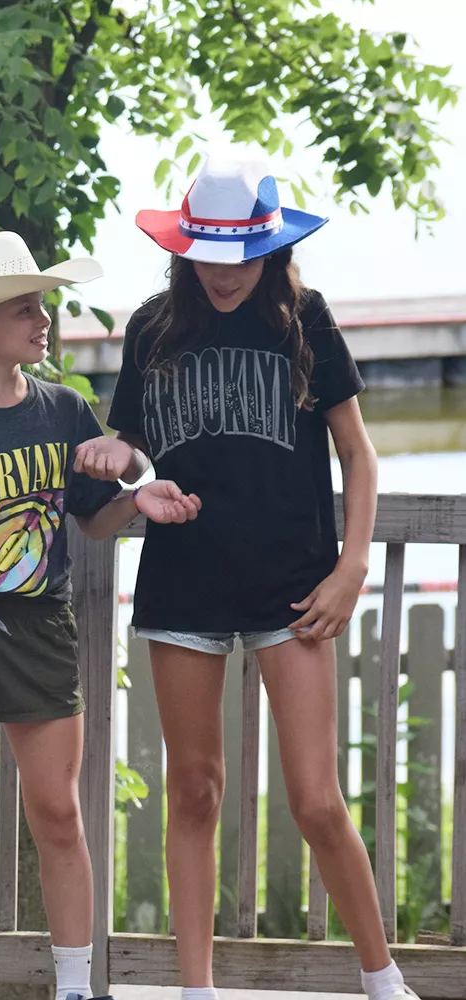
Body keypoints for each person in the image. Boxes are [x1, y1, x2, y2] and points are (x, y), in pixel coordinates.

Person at [108, 157, 413, 1000]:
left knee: (317, 800)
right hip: (183, 585)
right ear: (185, 249)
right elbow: (131, 452)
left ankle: (383, 979)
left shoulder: (303, 319)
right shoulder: (152, 327)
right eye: (209, 253)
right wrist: (126, 474)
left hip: (294, 586)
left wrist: (352, 566)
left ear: (272, 249)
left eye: (242, 254)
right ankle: (196, 990)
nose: (225, 270)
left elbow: (358, 453)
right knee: (195, 791)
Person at [0, 231, 202, 1000]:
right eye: (26, 309)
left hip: (41, 628)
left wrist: (137, 498)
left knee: (57, 810)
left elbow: (90, 520)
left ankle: (75, 987)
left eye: (43, 306)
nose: (43, 320)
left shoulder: (64, 411)